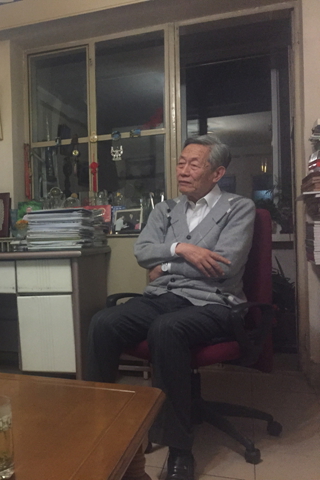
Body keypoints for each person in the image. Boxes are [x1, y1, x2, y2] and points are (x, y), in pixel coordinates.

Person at [87, 135, 255, 480]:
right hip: (163, 297)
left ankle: (179, 450)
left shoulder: (238, 208)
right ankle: (103, 426)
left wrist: (165, 265)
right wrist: (181, 249)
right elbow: (142, 251)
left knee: (166, 329)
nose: (183, 170)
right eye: (181, 163)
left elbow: (224, 267)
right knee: (103, 322)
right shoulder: (164, 210)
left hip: (214, 302)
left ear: (217, 173)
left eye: (194, 164)